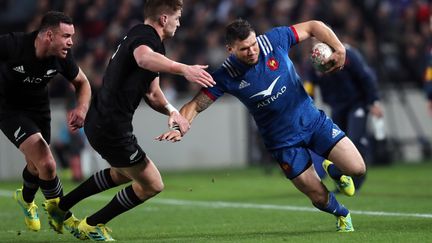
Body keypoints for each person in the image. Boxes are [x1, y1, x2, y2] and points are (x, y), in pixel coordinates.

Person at [158, 19, 366, 232]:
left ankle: (335, 171)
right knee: (318, 196)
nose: (251, 51)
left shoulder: (274, 40)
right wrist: (178, 127)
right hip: (283, 144)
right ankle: (342, 214)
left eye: (253, 44)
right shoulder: (226, 75)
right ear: (230, 49)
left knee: (358, 169)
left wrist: (339, 48)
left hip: (313, 123)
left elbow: (314, 26)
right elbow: (195, 105)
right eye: (244, 49)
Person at [42, 0, 215, 241]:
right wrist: (183, 68)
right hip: (112, 127)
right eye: (177, 17)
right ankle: (91, 224)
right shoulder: (145, 37)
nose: (180, 22)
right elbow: (144, 58)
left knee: (123, 173)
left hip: (101, 121)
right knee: (153, 184)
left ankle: (60, 207)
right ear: (164, 19)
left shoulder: (146, 40)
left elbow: (153, 94)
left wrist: (172, 111)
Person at [0, 11, 91, 232]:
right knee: (47, 163)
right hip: (9, 109)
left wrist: (81, 108)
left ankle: (26, 198)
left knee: (37, 166)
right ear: (49, 35)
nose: (71, 42)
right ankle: (63, 216)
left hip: (39, 109)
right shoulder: (13, 45)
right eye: (66, 36)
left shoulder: (62, 58)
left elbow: (83, 83)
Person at [304, 43, 384, 191]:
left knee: (354, 139)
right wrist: (306, 109)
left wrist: (374, 102)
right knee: (337, 145)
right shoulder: (313, 62)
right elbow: (309, 86)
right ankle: (342, 181)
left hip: (356, 103)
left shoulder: (347, 54)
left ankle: (356, 179)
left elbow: (365, 77)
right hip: (337, 106)